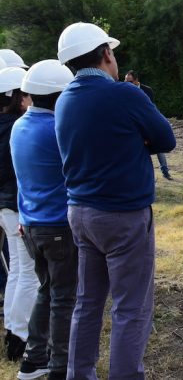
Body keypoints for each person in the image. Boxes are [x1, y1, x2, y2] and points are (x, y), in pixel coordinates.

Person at [54, 22, 176, 379]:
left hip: (80, 213)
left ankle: (79, 374)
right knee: (130, 307)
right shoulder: (124, 94)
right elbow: (166, 139)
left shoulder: (64, 100)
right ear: (106, 53)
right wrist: (137, 142)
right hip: (122, 215)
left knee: (87, 303)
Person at [12, 60, 75, 380]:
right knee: (63, 298)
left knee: (47, 291)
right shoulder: (56, 129)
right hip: (58, 226)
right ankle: (60, 366)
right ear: (59, 96)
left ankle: (33, 359)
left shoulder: (19, 126)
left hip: (31, 225)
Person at [0, 66, 37, 363]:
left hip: (5, 207)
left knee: (16, 271)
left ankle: (13, 330)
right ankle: (21, 338)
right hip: (17, 205)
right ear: (18, 97)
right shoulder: (18, 126)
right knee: (28, 273)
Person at [125, 70, 172, 180]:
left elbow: (150, 109)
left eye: (129, 82)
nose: (127, 84)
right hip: (134, 124)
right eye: (125, 81)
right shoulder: (124, 91)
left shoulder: (147, 90)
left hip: (147, 123)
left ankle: (165, 171)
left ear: (136, 81)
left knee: (159, 147)